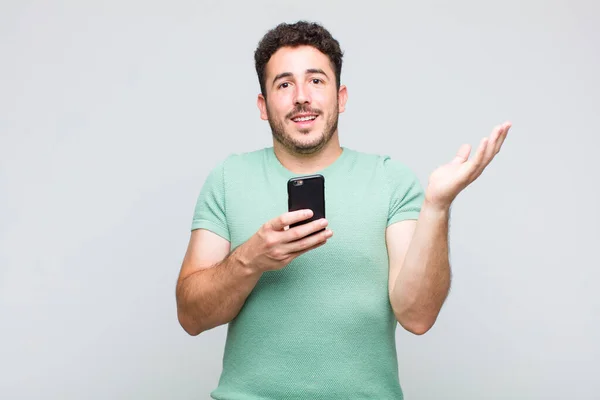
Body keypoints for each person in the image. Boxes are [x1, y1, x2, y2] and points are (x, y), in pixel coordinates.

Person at [175, 20, 511, 399]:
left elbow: (417, 317)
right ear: (263, 106)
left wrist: (437, 206)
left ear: (341, 97)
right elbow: (191, 316)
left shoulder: (390, 180)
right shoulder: (228, 178)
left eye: (316, 81)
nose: (302, 96)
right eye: (284, 84)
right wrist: (250, 260)